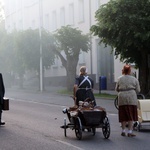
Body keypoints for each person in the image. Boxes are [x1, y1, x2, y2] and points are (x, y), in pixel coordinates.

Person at [115, 64, 140, 137]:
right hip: (131, 97)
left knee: (123, 114)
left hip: (122, 97)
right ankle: (130, 131)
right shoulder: (134, 79)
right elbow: (138, 90)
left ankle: (123, 131)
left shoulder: (119, 78)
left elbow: (116, 89)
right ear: (129, 71)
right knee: (131, 115)